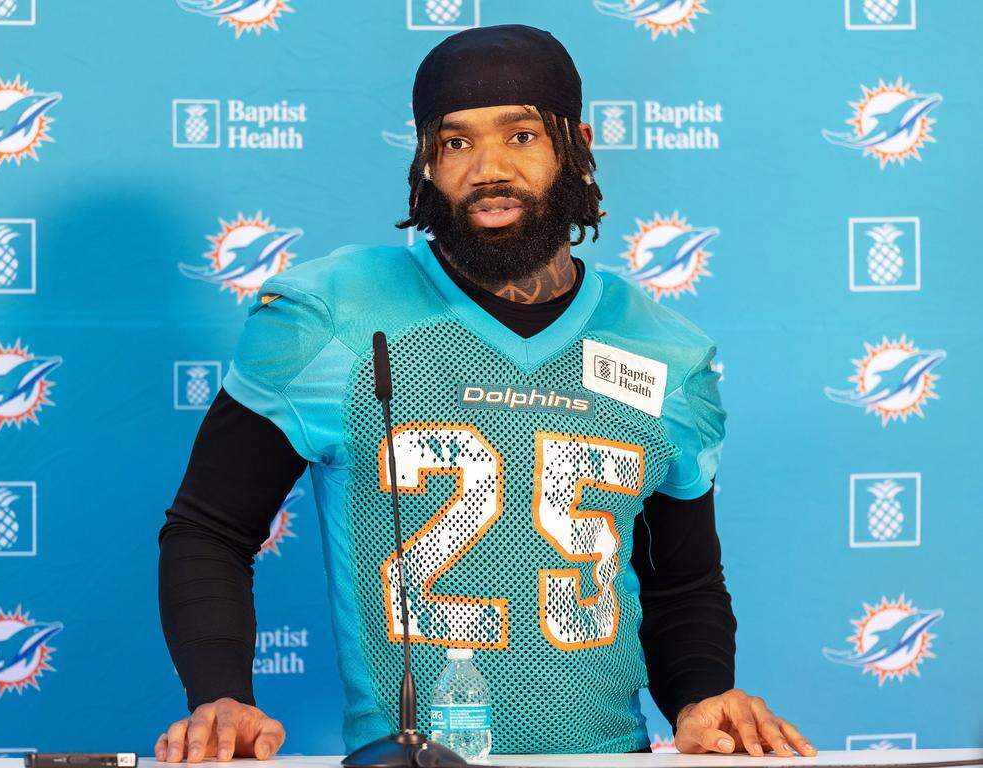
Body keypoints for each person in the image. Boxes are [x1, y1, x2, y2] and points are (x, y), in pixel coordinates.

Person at [155, 23, 816, 763]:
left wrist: (699, 700)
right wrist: (221, 696)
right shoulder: (331, 315)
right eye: (455, 142)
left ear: (576, 144)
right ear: (425, 165)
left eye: (522, 136)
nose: (487, 168)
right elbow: (210, 528)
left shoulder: (665, 349)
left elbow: (681, 583)